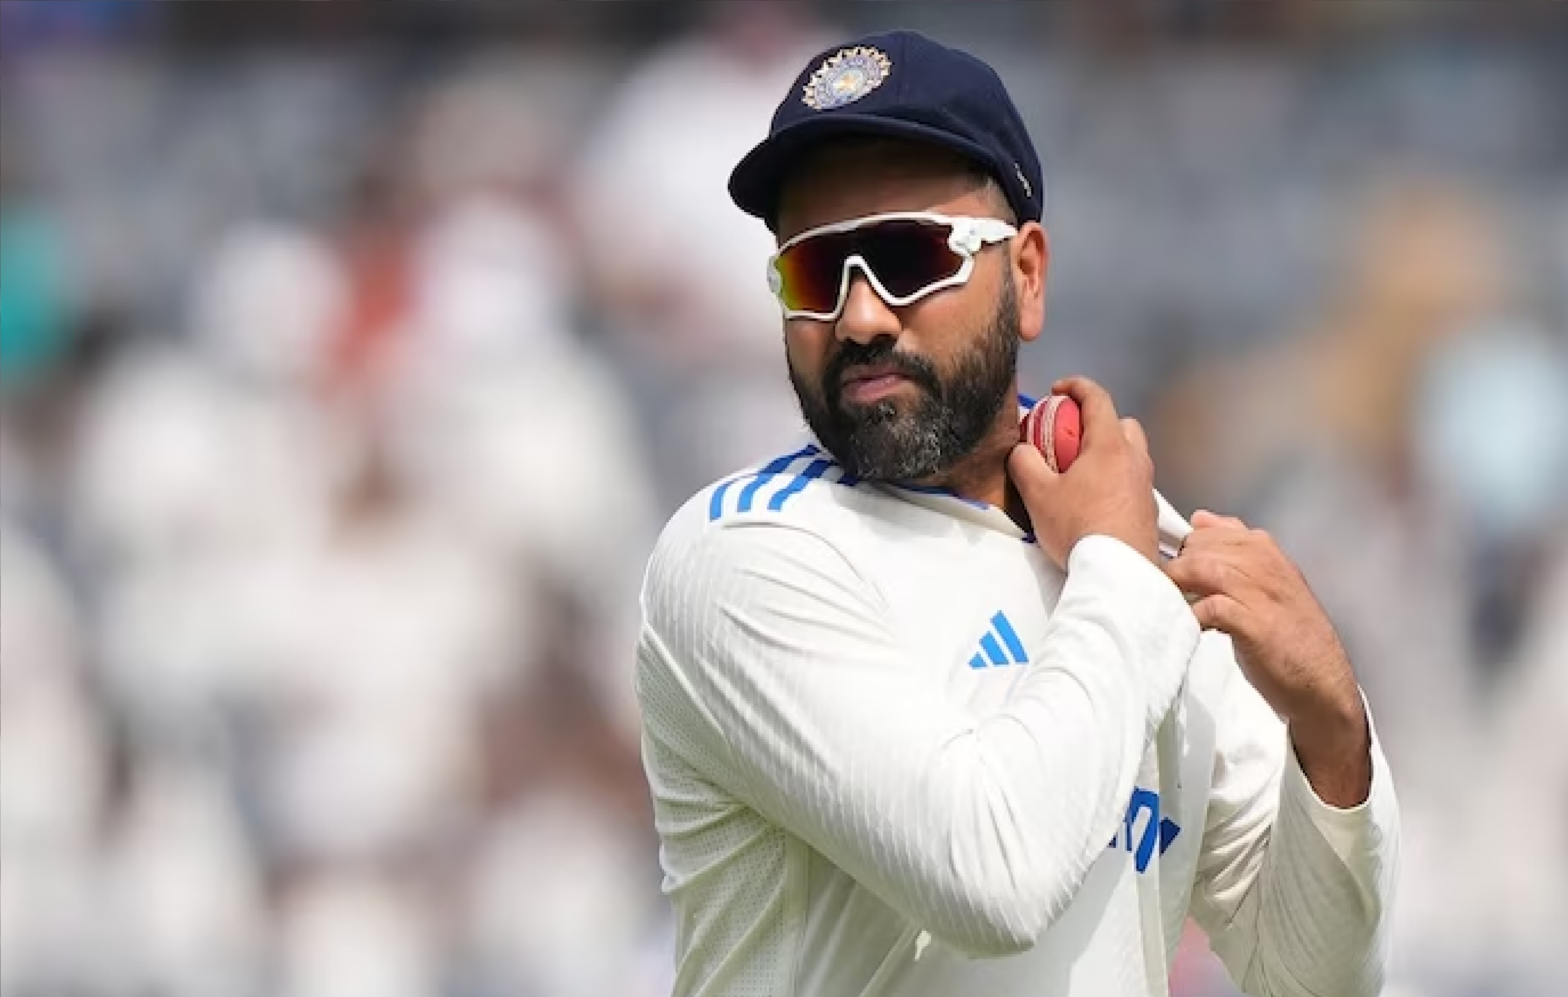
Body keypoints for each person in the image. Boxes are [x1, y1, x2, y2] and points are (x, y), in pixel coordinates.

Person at [634, 30, 1398, 997]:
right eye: (816, 275)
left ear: (1027, 275)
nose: (861, 318)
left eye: (908, 256)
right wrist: (1119, 569)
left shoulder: (1130, 543)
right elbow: (992, 877)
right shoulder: (745, 554)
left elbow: (1313, 980)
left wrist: (1333, 734)